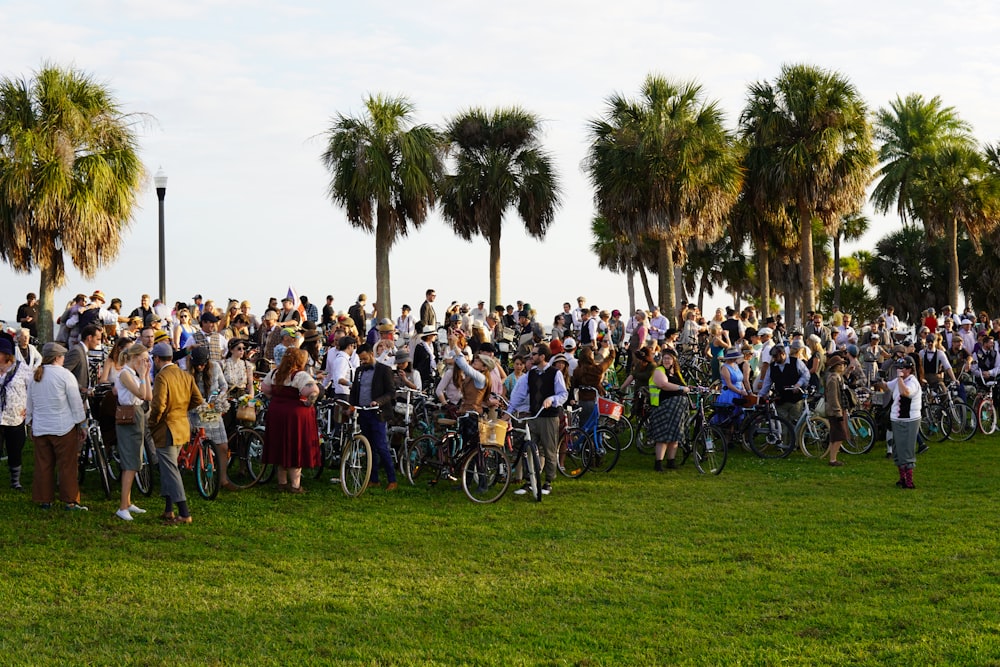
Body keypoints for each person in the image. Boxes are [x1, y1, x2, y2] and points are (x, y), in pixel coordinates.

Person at [27, 342, 88, 510]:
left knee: (43, 465)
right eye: (63, 356)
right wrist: (82, 425)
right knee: (67, 465)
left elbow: (30, 403)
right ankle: (70, 500)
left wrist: (30, 423)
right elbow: (75, 403)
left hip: (40, 427)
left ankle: (44, 499)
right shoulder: (65, 375)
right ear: (58, 357)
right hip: (63, 427)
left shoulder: (35, 375)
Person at [148, 341, 204, 526]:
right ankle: (168, 510)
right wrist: (181, 409)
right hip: (182, 426)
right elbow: (198, 399)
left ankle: (184, 512)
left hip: (167, 428)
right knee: (168, 468)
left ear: (157, 358)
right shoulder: (185, 375)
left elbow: (158, 406)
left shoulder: (162, 377)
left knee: (171, 470)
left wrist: (152, 422)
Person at [505, 342, 568, 496]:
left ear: (542, 356)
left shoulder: (555, 373)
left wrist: (552, 400)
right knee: (529, 449)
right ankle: (529, 482)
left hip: (549, 418)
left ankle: (548, 482)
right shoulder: (531, 374)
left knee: (549, 450)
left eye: (534, 354)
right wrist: (509, 411)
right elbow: (519, 394)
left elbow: (563, 394)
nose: (531, 357)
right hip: (533, 417)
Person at [261, 348, 320, 493]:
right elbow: (313, 390)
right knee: (294, 447)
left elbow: (265, 388)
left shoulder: (275, 373)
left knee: (280, 446)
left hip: (276, 413)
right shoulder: (300, 375)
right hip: (295, 415)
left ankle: (282, 483)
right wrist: (308, 403)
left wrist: (276, 400)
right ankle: (295, 485)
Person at [187, 346, 237, 490]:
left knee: (223, 446)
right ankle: (198, 471)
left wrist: (220, 396)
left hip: (212, 410)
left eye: (202, 364)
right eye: (197, 364)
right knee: (200, 444)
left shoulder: (215, 367)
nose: (200, 367)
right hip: (196, 411)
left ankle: (223, 479)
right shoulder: (188, 372)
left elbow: (224, 385)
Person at [113, 343, 152, 520]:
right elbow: (141, 394)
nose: (146, 362)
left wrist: (145, 376)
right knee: (130, 461)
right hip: (129, 416)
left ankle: (127, 502)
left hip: (137, 414)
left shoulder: (134, 375)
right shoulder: (124, 374)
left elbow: (148, 396)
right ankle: (122, 506)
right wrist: (143, 376)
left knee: (135, 459)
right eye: (143, 359)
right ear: (134, 358)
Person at [350, 344, 398, 490]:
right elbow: (354, 391)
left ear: (371, 354)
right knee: (369, 447)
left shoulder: (384, 370)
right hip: (363, 412)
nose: (363, 362)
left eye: (364, 358)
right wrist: (351, 406)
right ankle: (373, 478)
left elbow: (391, 392)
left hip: (377, 413)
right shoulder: (359, 371)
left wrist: (378, 401)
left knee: (381, 446)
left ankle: (392, 479)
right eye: (360, 360)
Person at [878, 356, 922, 489]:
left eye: (902, 368)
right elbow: (887, 387)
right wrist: (879, 379)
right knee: (897, 450)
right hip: (897, 419)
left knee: (907, 450)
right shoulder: (899, 381)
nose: (899, 370)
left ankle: (909, 481)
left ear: (909, 369)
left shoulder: (912, 382)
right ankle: (902, 478)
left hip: (908, 420)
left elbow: (905, 393)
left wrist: (900, 379)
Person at [647, 349, 691, 471]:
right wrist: (681, 387)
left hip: (678, 408)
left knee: (675, 435)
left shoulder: (676, 373)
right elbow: (663, 384)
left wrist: (687, 388)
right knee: (663, 436)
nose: (667, 360)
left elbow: (684, 387)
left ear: (674, 360)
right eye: (665, 358)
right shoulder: (659, 371)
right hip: (665, 407)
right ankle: (659, 463)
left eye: (669, 358)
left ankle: (671, 461)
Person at [0, 333, 33, 490]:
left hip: (15, 417)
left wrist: (29, 408)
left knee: (15, 449)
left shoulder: (21, 368)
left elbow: (32, 388)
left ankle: (15, 482)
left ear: (6, 354)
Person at [757, 343, 811, 429]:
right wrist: (760, 396)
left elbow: (806, 374)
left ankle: (796, 441)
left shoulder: (796, 362)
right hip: (781, 400)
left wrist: (798, 384)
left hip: (796, 399)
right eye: (773, 357)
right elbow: (767, 383)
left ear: (783, 353)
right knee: (783, 425)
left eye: (776, 356)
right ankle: (785, 442)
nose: (774, 359)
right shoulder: (772, 367)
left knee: (796, 424)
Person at [824, 352, 849, 467]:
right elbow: (833, 398)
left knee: (836, 435)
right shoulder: (833, 379)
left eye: (843, 364)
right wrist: (838, 412)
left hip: (838, 409)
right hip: (835, 411)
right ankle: (833, 459)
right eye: (840, 365)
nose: (842, 366)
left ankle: (833, 457)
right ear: (835, 367)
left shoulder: (838, 377)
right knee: (839, 435)